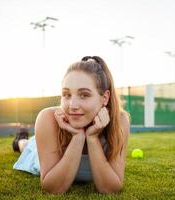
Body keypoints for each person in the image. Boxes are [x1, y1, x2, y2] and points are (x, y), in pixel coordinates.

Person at [12, 56, 130, 194]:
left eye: (84, 95)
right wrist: (78, 137)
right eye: (66, 94)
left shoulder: (119, 121)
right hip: (39, 152)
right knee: (28, 148)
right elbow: (53, 188)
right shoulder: (47, 118)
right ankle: (20, 141)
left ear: (105, 98)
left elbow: (111, 188)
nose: (72, 106)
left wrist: (92, 138)